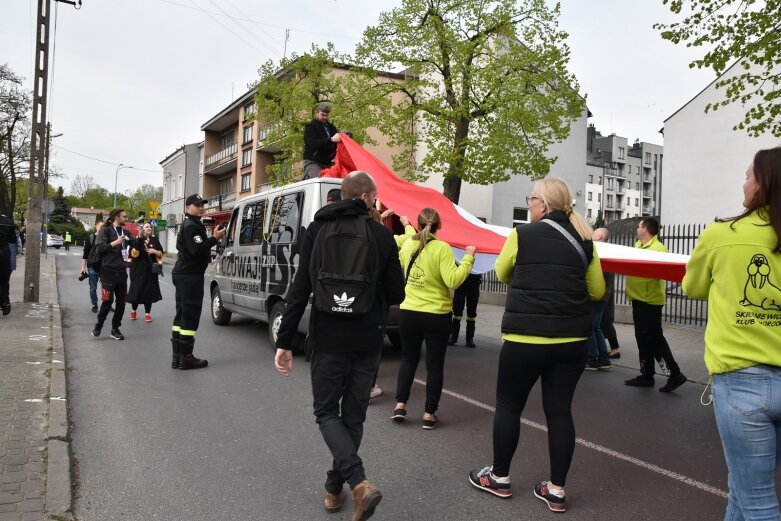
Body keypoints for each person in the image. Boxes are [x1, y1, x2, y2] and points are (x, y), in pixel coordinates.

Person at [468, 177, 604, 513]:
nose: (528, 205)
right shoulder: (585, 241)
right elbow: (598, 291)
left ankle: (499, 478)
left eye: (531, 199)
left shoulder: (522, 235)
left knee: (509, 405)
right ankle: (556, 490)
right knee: (559, 412)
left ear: (542, 205)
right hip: (571, 342)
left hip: (524, 339)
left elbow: (501, 273)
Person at [275, 171, 405, 521]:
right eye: (375, 197)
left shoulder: (316, 231)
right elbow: (398, 293)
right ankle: (342, 485)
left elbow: (299, 287)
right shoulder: (382, 235)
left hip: (328, 338)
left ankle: (349, 483)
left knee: (326, 412)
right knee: (353, 415)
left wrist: (285, 341)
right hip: (366, 339)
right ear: (365, 198)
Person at [682, 147, 781, 521]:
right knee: (743, 486)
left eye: (747, 176)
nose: (743, 183)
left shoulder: (722, 233)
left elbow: (692, 289)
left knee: (757, 501)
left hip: (741, 382)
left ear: (762, 184)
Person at [391, 208, 476, 429]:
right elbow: (453, 280)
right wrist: (468, 259)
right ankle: (429, 415)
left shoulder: (408, 244)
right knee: (434, 365)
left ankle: (400, 405)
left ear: (418, 225)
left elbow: (409, 236)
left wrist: (404, 222)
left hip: (409, 312)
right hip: (437, 315)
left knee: (408, 359)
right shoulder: (442, 249)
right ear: (440, 227)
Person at [624, 217, 687, 392]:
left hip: (649, 301)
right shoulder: (638, 246)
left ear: (645, 229)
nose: (637, 228)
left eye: (639, 226)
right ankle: (648, 374)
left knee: (654, 339)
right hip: (638, 299)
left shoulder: (659, 249)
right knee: (644, 339)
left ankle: (673, 374)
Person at [171, 194, 225, 370]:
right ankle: (186, 358)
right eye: (196, 205)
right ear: (187, 208)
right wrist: (214, 238)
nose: (201, 207)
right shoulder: (191, 226)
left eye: (202, 204)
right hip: (190, 275)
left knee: (181, 314)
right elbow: (196, 250)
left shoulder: (192, 224)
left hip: (184, 273)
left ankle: (178, 358)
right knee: (190, 315)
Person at [91, 209, 133, 340]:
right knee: (107, 301)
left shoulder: (126, 232)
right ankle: (99, 325)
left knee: (122, 303)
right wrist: (114, 243)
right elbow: (99, 249)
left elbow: (135, 245)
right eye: (124, 216)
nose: (126, 217)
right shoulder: (105, 231)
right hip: (108, 272)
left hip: (122, 272)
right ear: (116, 217)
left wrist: (141, 236)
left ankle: (115, 329)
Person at [585, 228, 613, 371]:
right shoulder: (608, 251)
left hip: (596, 295)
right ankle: (604, 359)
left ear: (600, 236)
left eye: (594, 232)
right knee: (597, 328)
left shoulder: (598, 250)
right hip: (604, 296)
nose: (592, 234)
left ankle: (592, 360)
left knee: (589, 328)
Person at [127, 222, 164, 323]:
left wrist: (154, 252)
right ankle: (133, 311)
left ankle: (147, 314)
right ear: (142, 229)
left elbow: (161, 252)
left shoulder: (155, 240)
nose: (149, 228)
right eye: (146, 227)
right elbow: (134, 254)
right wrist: (140, 237)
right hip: (138, 269)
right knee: (136, 290)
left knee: (149, 291)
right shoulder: (136, 240)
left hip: (150, 269)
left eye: (150, 227)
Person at [302, 102, 341, 180]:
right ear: (316, 113)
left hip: (327, 162)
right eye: (322, 115)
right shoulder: (310, 127)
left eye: (326, 115)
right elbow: (314, 144)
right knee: (320, 180)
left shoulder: (331, 127)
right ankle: (308, 178)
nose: (325, 117)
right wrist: (331, 139)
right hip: (313, 161)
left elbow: (336, 143)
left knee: (337, 178)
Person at [448, 272, 482, 347]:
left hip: (474, 281)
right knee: (457, 310)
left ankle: (469, 339)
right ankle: (453, 336)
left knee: (472, 313)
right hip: (461, 281)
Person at [81, 221, 106, 313]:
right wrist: (83, 267)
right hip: (92, 266)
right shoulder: (91, 238)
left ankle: (107, 304)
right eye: (101, 226)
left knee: (106, 287)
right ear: (96, 226)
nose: (102, 228)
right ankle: (94, 304)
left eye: (104, 226)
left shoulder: (106, 238)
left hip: (105, 266)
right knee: (93, 287)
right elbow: (85, 254)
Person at [0, 212, 15, 316]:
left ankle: (3, 302)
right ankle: (6, 302)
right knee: (4, 281)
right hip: (4, 254)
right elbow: (13, 240)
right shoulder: (8, 222)